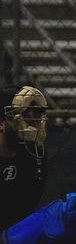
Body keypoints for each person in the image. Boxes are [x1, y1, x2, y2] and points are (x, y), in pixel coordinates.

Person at [0, 86, 48, 231]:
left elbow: (25, 209)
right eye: (25, 114)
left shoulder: (35, 154)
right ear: (2, 123)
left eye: (38, 113)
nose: (34, 121)